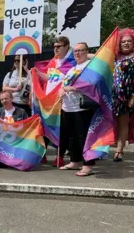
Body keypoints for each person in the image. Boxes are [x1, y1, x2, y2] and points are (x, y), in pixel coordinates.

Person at [35, 36, 75, 166]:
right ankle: (43, 154)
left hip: (63, 101)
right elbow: (49, 78)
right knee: (45, 127)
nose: (55, 49)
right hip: (49, 101)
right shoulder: (53, 62)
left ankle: (60, 156)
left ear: (67, 47)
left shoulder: (72, 63)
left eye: (59, 46)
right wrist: (36, 73)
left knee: (61, 129)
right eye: (54, 46)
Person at [58, 42, 96, 176]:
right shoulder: (72, 68)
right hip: (67, 107)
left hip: (81, 107)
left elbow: (89, 84)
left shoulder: (89, 66)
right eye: (75, 51)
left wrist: (71, 88)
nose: (77, 53)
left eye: (81, 51)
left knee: (83, 137)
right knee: (71, 136)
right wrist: (62, 89)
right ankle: (75, 160)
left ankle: (88, 164)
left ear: (87, 51)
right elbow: (64, 83)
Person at [112, 30, 134, 162]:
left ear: (133, 43)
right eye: (123, 41)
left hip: (129, 96)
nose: (126, 43)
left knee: (123, 123)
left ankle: (119, 151)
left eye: (129, 41)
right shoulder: (114, 57)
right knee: (109, 122)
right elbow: (96, 57)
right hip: (113, 94)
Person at [0, 91, 29, 168]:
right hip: (2, 143)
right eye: (2, 99)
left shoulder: (21, 112)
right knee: (0, 165)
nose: (4, 101)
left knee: (21, 164)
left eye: (6, 98)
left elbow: (28, 126)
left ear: (12, 99)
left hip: (17, 142)